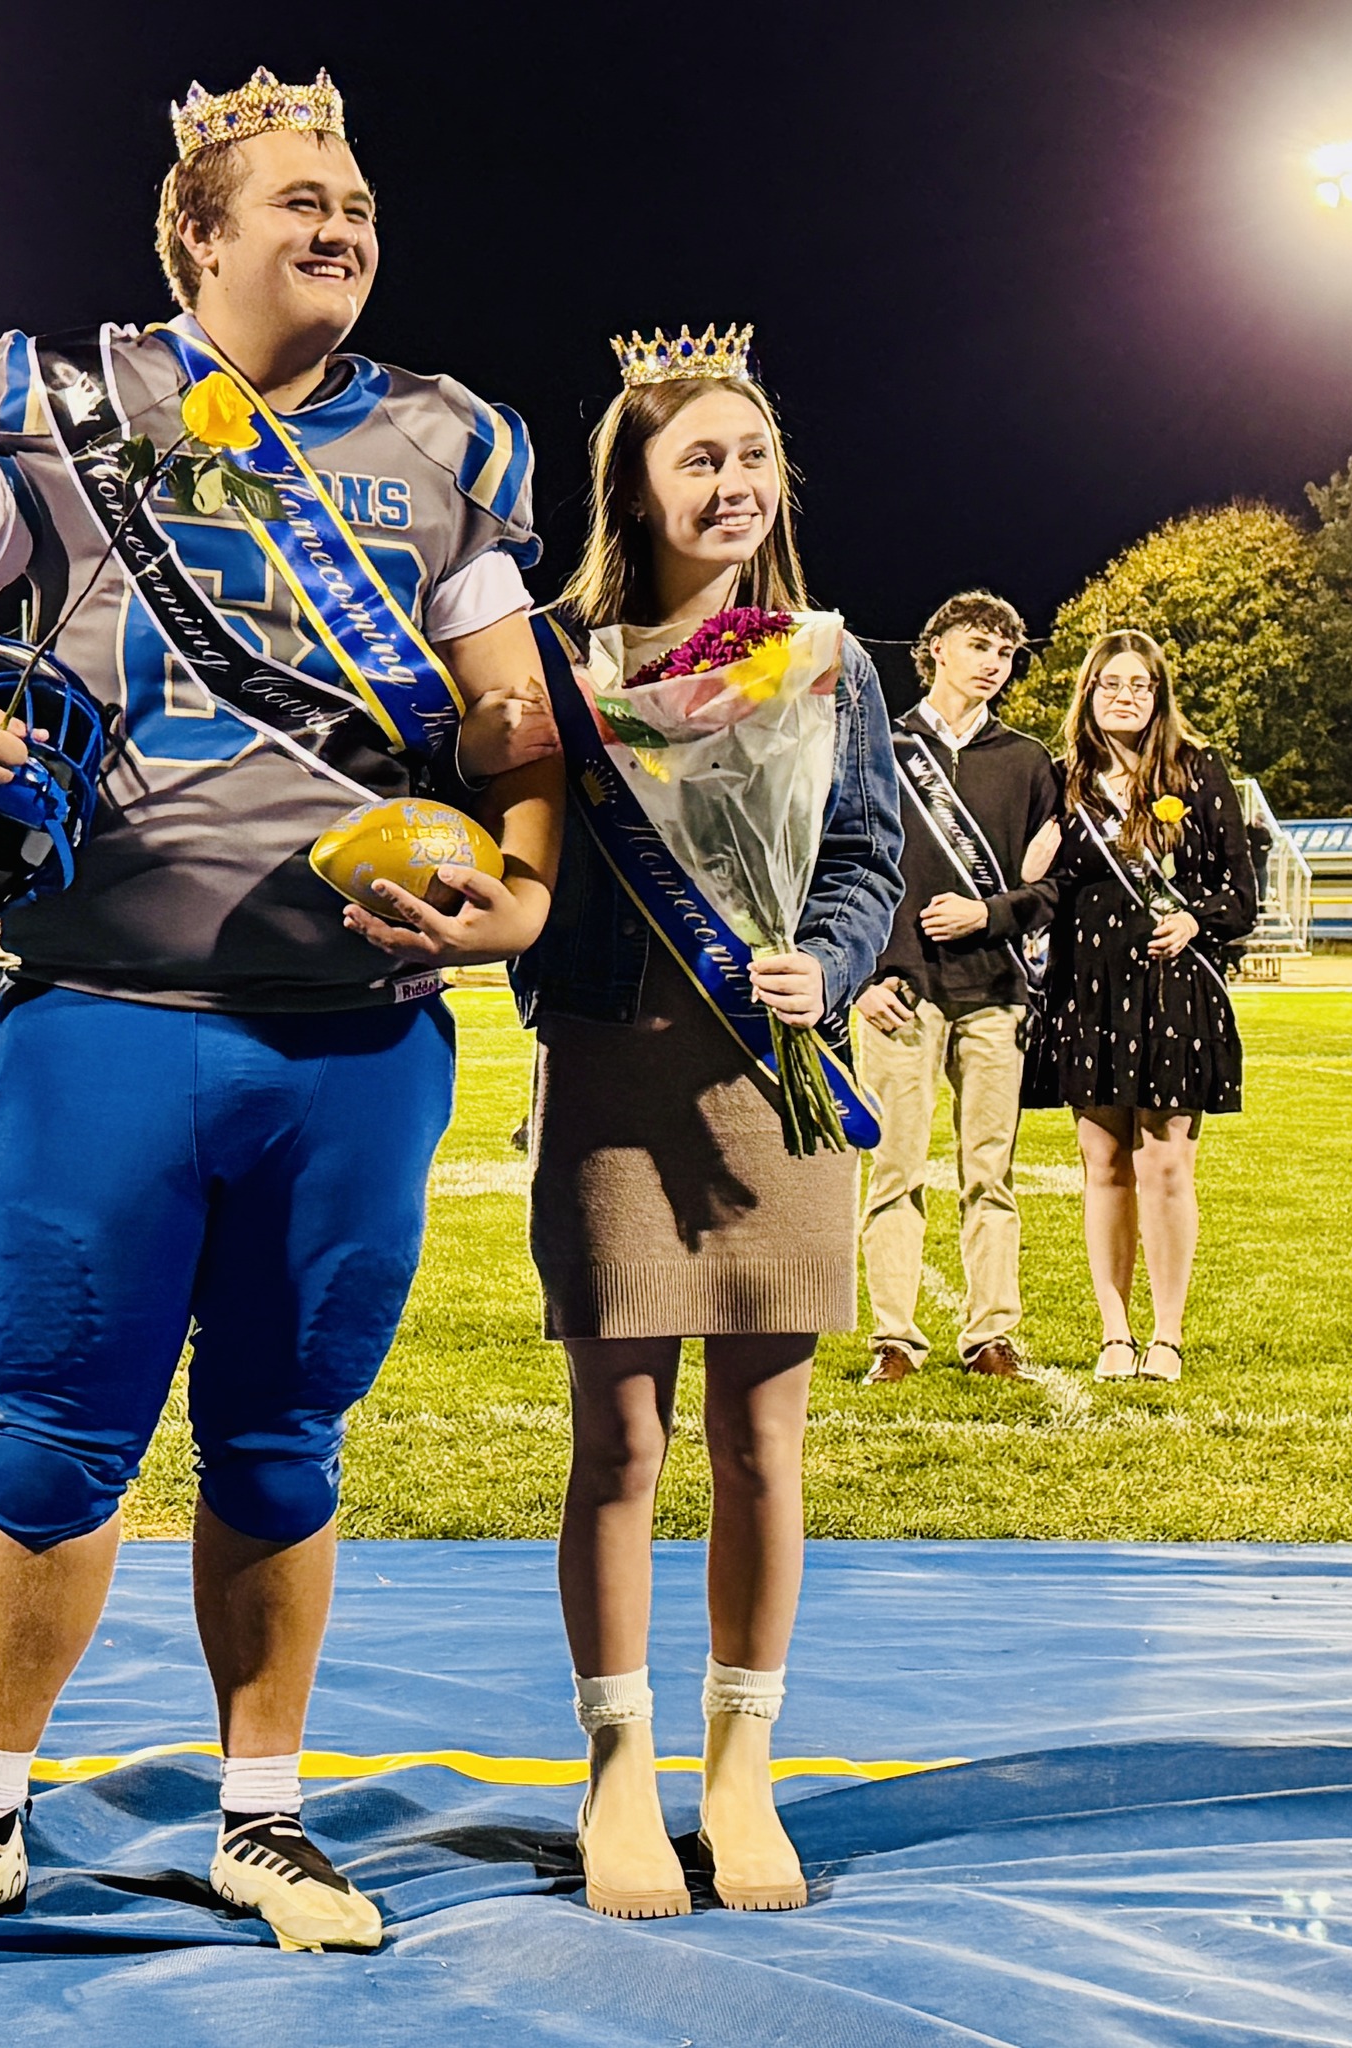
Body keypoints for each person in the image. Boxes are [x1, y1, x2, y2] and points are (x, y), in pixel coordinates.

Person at [0, 65, 559, 1948]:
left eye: (356, 198)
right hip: (107, 1008)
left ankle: (263, 1815)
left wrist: (518, 895)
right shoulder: (63, 410)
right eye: (299, 195)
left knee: (284, 1432)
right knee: (56, 1426)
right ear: (196, 235)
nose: (340, 224)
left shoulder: (447, 441)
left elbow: (514, 718)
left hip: (352, 1030)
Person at [509, 329, 901, 1918]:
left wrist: (840, 956)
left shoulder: (830, 658)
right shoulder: (555, 660)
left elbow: (868, 853)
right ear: (641, 491)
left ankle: (742, 1771)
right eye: (701, 461)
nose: (734, 485)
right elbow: (519, 856)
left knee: (761, 1445)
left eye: (752, 457)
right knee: (618, 1440)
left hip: (771, 1083)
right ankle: (619, 1775)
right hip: (614, 1078)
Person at [1035, 629, 1257, 1382]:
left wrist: (1195, 918)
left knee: (1167, 1162)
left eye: (1139, 684)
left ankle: (1166, 1333)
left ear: (1159, 696)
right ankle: (1113, 1333)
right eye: (1110, 684)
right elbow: (1039, 884)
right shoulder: (1063, 780)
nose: (1125, 696)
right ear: (1088, 693)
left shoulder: (1198, 773)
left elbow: (1240, 890)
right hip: (1089, 987)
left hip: (1174, 991)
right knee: (1103, 1166)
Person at [854, 592, 1062, 1385]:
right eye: (978, 646)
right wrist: (866, 978)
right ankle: (895, 1340)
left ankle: (992, 1335)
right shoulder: (878, 746)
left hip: (996, 991)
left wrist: (992, 911)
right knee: (896, 1170)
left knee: (990, 1175)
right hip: (898, 995)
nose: (992, 665)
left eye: (1005, 654)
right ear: (936, 648)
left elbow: (1056, 889)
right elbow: (845, 864)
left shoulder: (1030, 762)